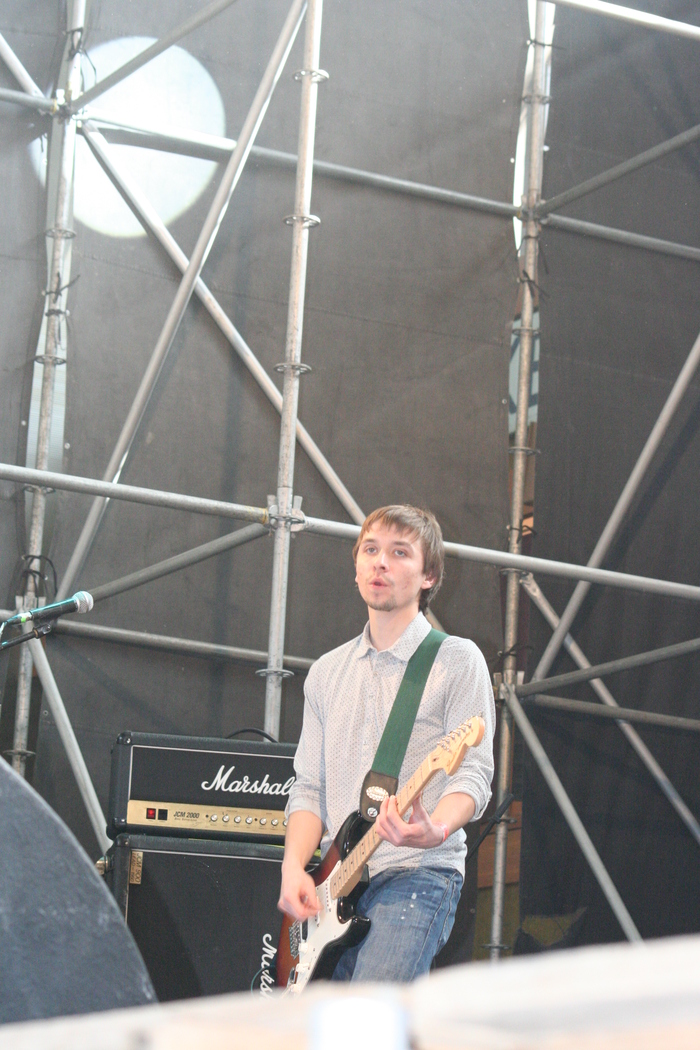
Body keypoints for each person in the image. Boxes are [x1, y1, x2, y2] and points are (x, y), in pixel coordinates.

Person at [278, 504, 495, 982]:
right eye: (371, 550)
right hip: (335, 886)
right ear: (356, 566)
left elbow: (474, 773)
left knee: (370, 1014)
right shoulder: (326, 673)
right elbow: (309, 788)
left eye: (400, 553)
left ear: (428, 575)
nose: (381, 562)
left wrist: (437, 828)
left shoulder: (457, 660)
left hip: (418, 871)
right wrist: (294, 868)